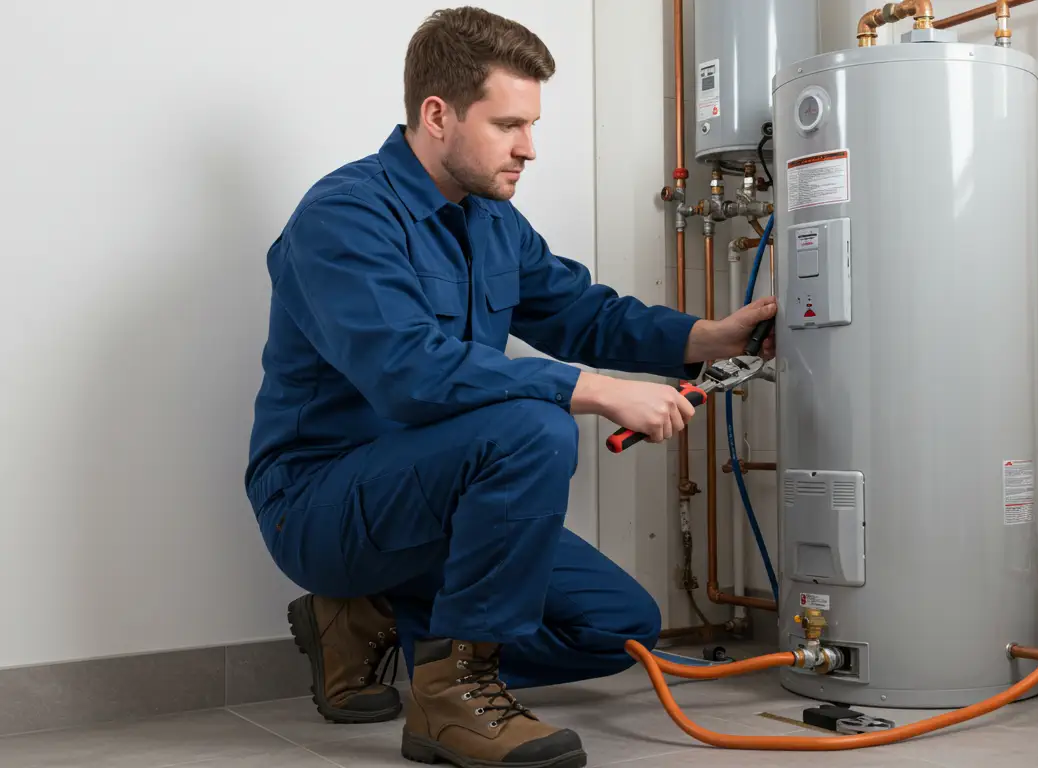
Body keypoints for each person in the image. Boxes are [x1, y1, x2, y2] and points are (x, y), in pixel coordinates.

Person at [243, 6, 776, 768]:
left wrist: (705, 340)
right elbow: (408, 374)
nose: (530, 148)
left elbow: (581, 313)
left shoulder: (492, 220)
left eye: (532, 124)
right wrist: (591, 390)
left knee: (617, 625)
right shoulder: (343, 217)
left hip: (437, 506)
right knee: (534, 425)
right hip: (322, 503)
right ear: (437, 115)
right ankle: (452, 698)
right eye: (508, 124)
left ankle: (374, 619)